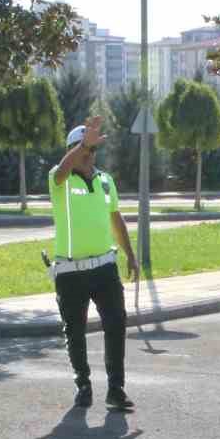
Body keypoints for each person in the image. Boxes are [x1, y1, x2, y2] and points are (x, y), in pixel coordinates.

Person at [49, 116, 138, 410]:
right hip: (71, 272)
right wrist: (81, 146)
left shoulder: (105, 181)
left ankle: (115, 389)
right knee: (74, 330)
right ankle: (83, 384)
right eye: (84, 151)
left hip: (104, 269)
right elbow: (62, 170)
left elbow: (115, 218)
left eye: (92, 151)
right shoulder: (59, 180)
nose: (89, 157)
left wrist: (130, 255)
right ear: (73, 151)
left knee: (116, 323)